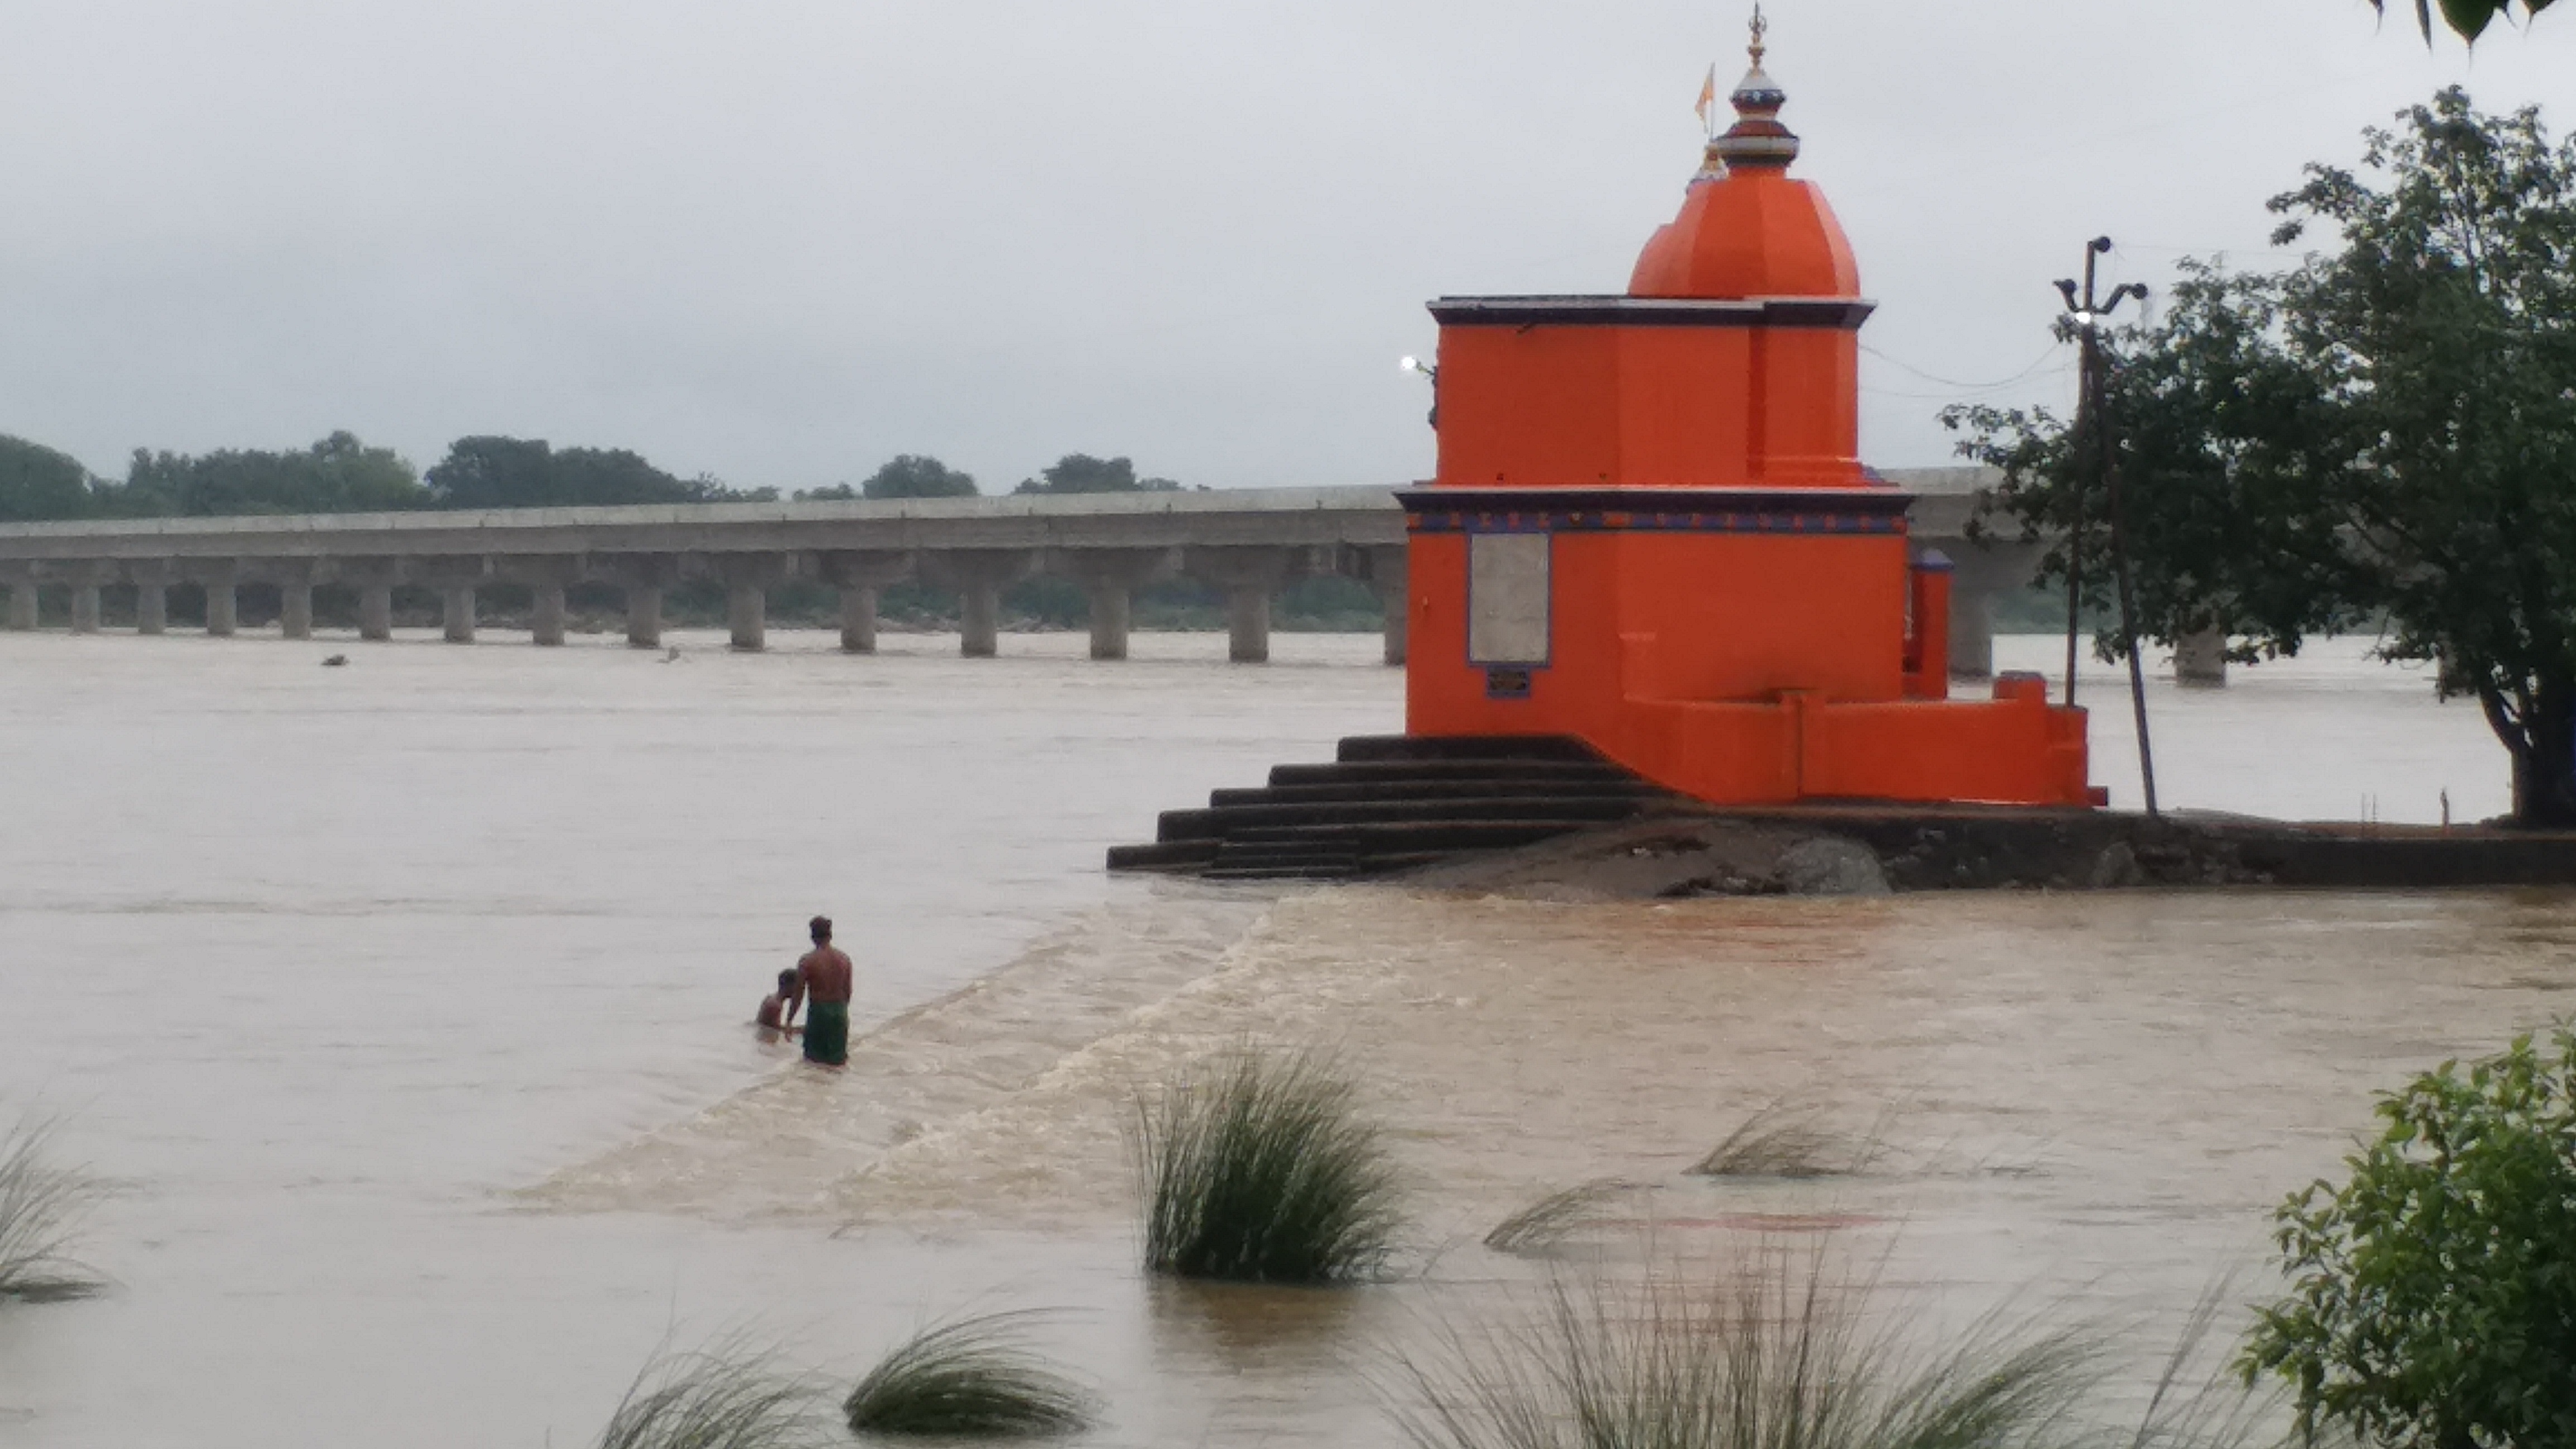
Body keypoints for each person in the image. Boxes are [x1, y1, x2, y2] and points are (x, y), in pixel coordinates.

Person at [792, 915, 854, 1068]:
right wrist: (841, 1012)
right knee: (838, 1062)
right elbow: (848, 991)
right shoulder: (845, 959)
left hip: (820, 1012)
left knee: (813, 1063)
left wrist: (789, 1020)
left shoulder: (807, 961)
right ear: (830, 935)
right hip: (840, 1011)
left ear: (812, 936)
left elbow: (798, 994)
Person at [755, 967, 801, 1039]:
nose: (799, 990)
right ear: (790, 986)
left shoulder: (770, 998)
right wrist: (801, 1031)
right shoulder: (775, 1006)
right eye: (798, 986)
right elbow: (776, 1031)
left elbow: (771, 1028)